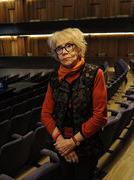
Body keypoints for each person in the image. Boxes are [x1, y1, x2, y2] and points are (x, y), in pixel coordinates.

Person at [41, 28, 107, 180]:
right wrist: (63, 143)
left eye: (68, 46)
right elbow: (45, 114)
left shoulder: (95, 73)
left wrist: (73, 142)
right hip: (61, 145)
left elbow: (100, 117)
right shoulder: (54, 78)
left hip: (86, 146)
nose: (64, 52)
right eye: (59, 48)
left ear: (79, 48)